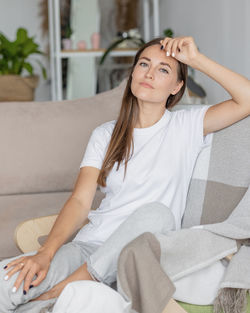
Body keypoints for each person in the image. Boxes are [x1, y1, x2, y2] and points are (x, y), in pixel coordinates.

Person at [0, 36, 249, 313]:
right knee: (7, 282)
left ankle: (58, 295)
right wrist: (45, 255)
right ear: (133, 72)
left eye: (164, 69)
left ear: (177, 86)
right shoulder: (105, 134)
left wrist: (196, 59)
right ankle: (52, 299)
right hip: (88, 247)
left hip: (135, 258)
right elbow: (80, 202)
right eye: (144, 64)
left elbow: (247, 99)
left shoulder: (187, 125)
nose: (150, 73)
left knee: (158, 214)